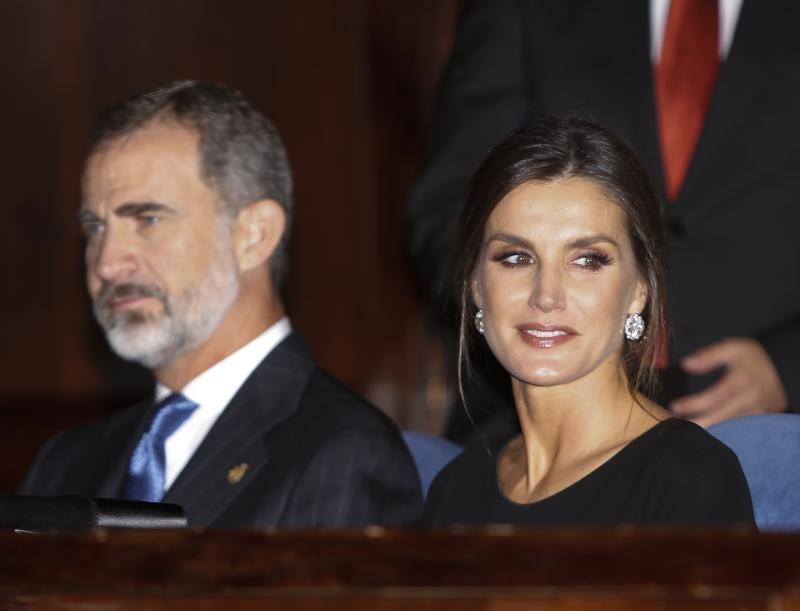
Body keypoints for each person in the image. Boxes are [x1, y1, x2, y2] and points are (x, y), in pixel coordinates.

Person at [20, 80, 423, 528]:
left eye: (148, 219)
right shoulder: (65, 463)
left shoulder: (342, 453)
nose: (107, 262)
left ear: (255, 235)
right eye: (95, 228)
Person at [407, 0, 798, 433]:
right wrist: (542, 340)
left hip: (765, 424)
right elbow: (447, 213)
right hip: (520, 422)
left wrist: (787, 365)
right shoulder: (525, 10)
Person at [423, 115, 754, 526]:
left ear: (639, 290)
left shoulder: (688, 479)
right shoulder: (456, 488)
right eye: (515, 257)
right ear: (475, 285)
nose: (546, 296)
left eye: (586, 260)